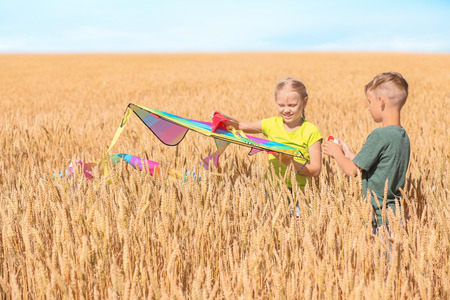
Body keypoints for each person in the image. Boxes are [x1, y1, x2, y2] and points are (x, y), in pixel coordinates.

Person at [323, 72, 410, 230]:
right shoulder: (402, 136)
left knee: (381, 255)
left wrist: (336, 153)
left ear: (381, 102)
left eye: (369, 102)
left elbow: (351, 171)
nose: (368, 108)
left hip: (379, 217)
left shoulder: (379, 135)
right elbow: (378, 166)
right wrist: (349, 154)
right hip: (397, 215)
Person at [214, 77, 322, 192]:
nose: (286, 110)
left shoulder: (311, 131)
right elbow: (239, 126)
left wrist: (290, 162)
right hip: (271, 190)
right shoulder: (271, 124)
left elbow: (316, 171)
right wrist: (222, 117)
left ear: (304, 102)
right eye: (281, 105)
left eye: (292, 105)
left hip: (299, 192)